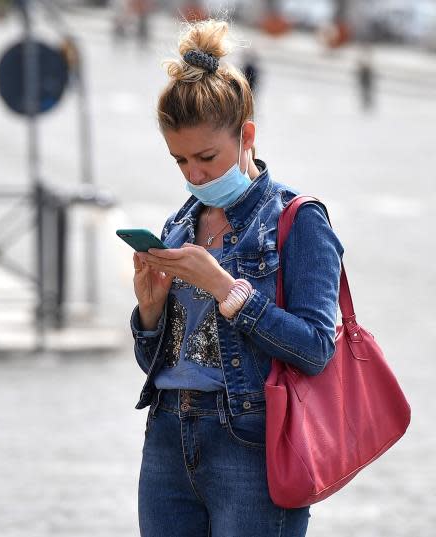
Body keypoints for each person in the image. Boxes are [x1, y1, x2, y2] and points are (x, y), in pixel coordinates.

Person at [130, 20, 343, 536]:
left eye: (206, 157)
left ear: (246, 135)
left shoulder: (296, 219)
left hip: (250, 440)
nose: (194, 175)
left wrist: (226, 289)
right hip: (166, 435)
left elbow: (317, 348)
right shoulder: (180, 223)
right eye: (180, 160)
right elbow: (155, 360)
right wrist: (151, 312)